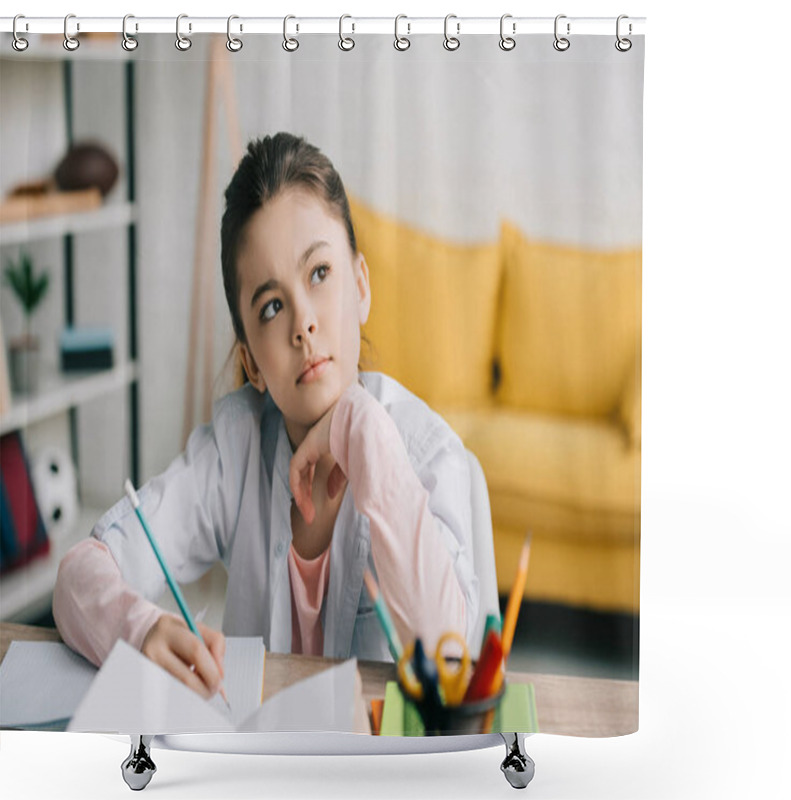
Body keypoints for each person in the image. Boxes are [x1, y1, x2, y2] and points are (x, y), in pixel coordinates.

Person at [53, 132, 480, 703]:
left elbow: (454, 660)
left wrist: (361, 428)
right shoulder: (236, 450)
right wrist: (142, 628)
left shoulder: (427, 454)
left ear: (360, 285)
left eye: (320, 274)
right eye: (272, 306)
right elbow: (79, 575)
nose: (302, 323)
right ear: (252, 361)